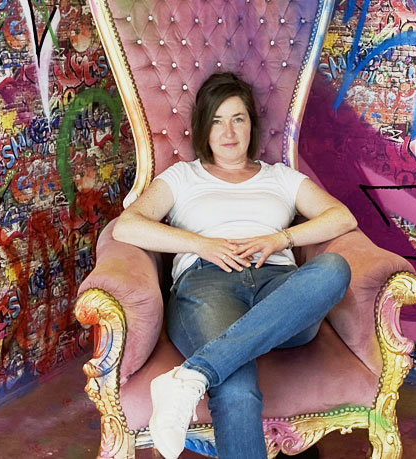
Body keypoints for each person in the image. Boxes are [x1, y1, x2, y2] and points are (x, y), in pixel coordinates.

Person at [112, 72, 357, 459]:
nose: (228, 132)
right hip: (208, 283)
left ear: (251, 125)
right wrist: (202, 245)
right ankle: (211, 370)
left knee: (334, 269)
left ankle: (192, 376)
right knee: (235, 386)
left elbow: (342, 217)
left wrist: (281, 239)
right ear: (203, 129)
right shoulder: (183, 177)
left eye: (238, 119)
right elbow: (127, 226)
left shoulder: (280, 177)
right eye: (217, 121)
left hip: (280, 290)